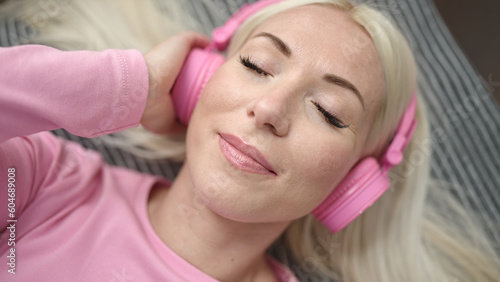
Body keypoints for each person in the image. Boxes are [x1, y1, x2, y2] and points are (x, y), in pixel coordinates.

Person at [0, 0, 499, 281]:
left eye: (328, 112)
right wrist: (136, 86)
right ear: (200, 80)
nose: (269, 110)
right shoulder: (43, 182)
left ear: (354, 184)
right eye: (257, 66)